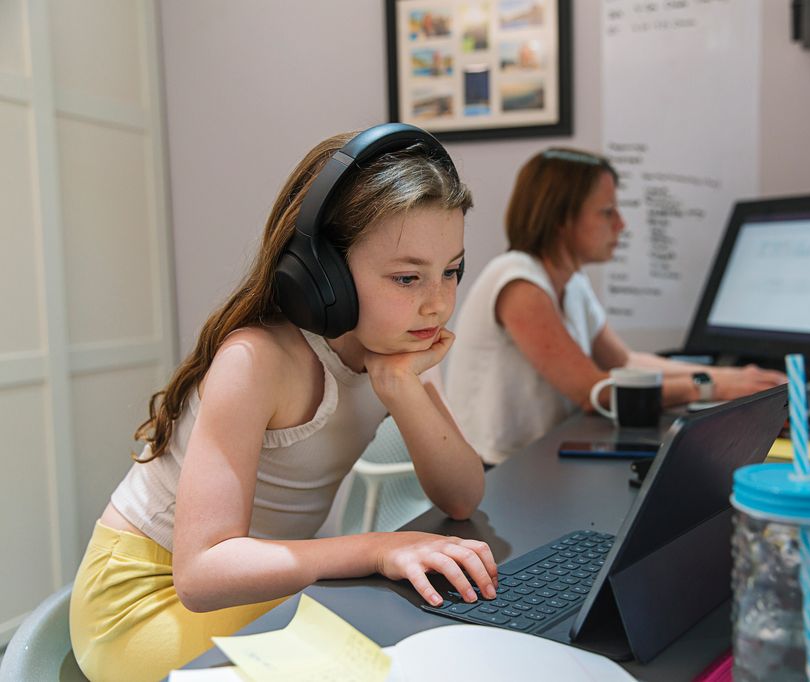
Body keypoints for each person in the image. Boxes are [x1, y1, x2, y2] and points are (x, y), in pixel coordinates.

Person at [69, 125, 497, 681]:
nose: (437, 303)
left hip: (253, 582)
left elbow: (463, 494)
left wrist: (399, 388)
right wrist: (374, 548)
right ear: (326, 275)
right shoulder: (259, 360)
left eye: (452, 271)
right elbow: (201, 574)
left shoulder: (389, 348)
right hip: (145, 602)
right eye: (407, 277)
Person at [446, 148, 786, 466]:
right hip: (498, 471)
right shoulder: (517, 281)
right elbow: (593, 391)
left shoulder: (572, 282)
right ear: (562, 218)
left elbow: (624, 362)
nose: (621, 225)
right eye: (608, 212)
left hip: (543, 458)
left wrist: (728, 377)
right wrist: (713, 388)